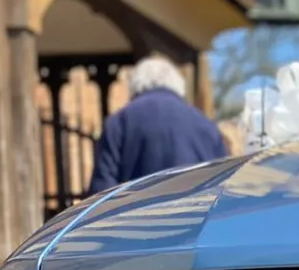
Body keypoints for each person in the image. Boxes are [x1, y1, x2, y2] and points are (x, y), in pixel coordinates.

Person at [86, 55, 228, 193]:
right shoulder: (206, 125)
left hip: (138, 214)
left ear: (135, 85)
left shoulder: (119, 123)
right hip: (195, 213)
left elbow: (102, 189)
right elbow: (224, 183)